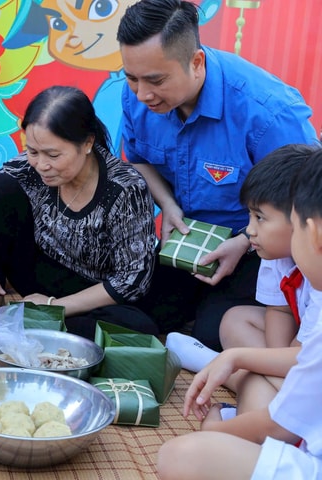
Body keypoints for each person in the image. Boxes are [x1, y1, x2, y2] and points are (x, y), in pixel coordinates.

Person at [116, 0, 319, 351]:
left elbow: (307, 199)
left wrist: (243, 242)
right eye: (131, 78)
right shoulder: (138, 96)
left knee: (212, 330)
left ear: (196, 63)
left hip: (257, 244)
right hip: (187, 236)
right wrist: (167, 207)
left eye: (156, 81)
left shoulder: (267, 111)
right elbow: (138, 160)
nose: (142, 94)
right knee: (140, 313)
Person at [156, 148, 322, 480]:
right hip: (297, 392)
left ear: (310, 230)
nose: (250, 232)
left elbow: (280, 425)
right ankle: (230, 366)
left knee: (183, 455)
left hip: (300, 433)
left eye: (259, 218)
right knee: (237, 325)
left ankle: (223, 366)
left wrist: (215, 430)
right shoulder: (280, 260)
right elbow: (280, 319)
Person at [0, 85, 159, 339]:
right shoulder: (30, 167)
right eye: (33, 151)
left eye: (53, 155)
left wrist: (52, 307)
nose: (42, 165)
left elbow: (133, 280)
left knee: (134, 327)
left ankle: (29, 320)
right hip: (41, 274)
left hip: (94, 293)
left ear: (87, 142)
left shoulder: (124, 188)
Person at [166, 144, 322, 373]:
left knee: (278, 383)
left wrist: (241, 360)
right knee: (235, 320)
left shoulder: (315, 271)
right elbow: (279, 310)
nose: (250, 230)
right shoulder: (273, 254)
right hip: (303, 349)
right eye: (250, 215)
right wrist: (273, 362)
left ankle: (223, 372)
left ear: (301, 217)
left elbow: (307, 362)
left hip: (311, 359)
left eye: (260, 217)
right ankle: (259, 381)